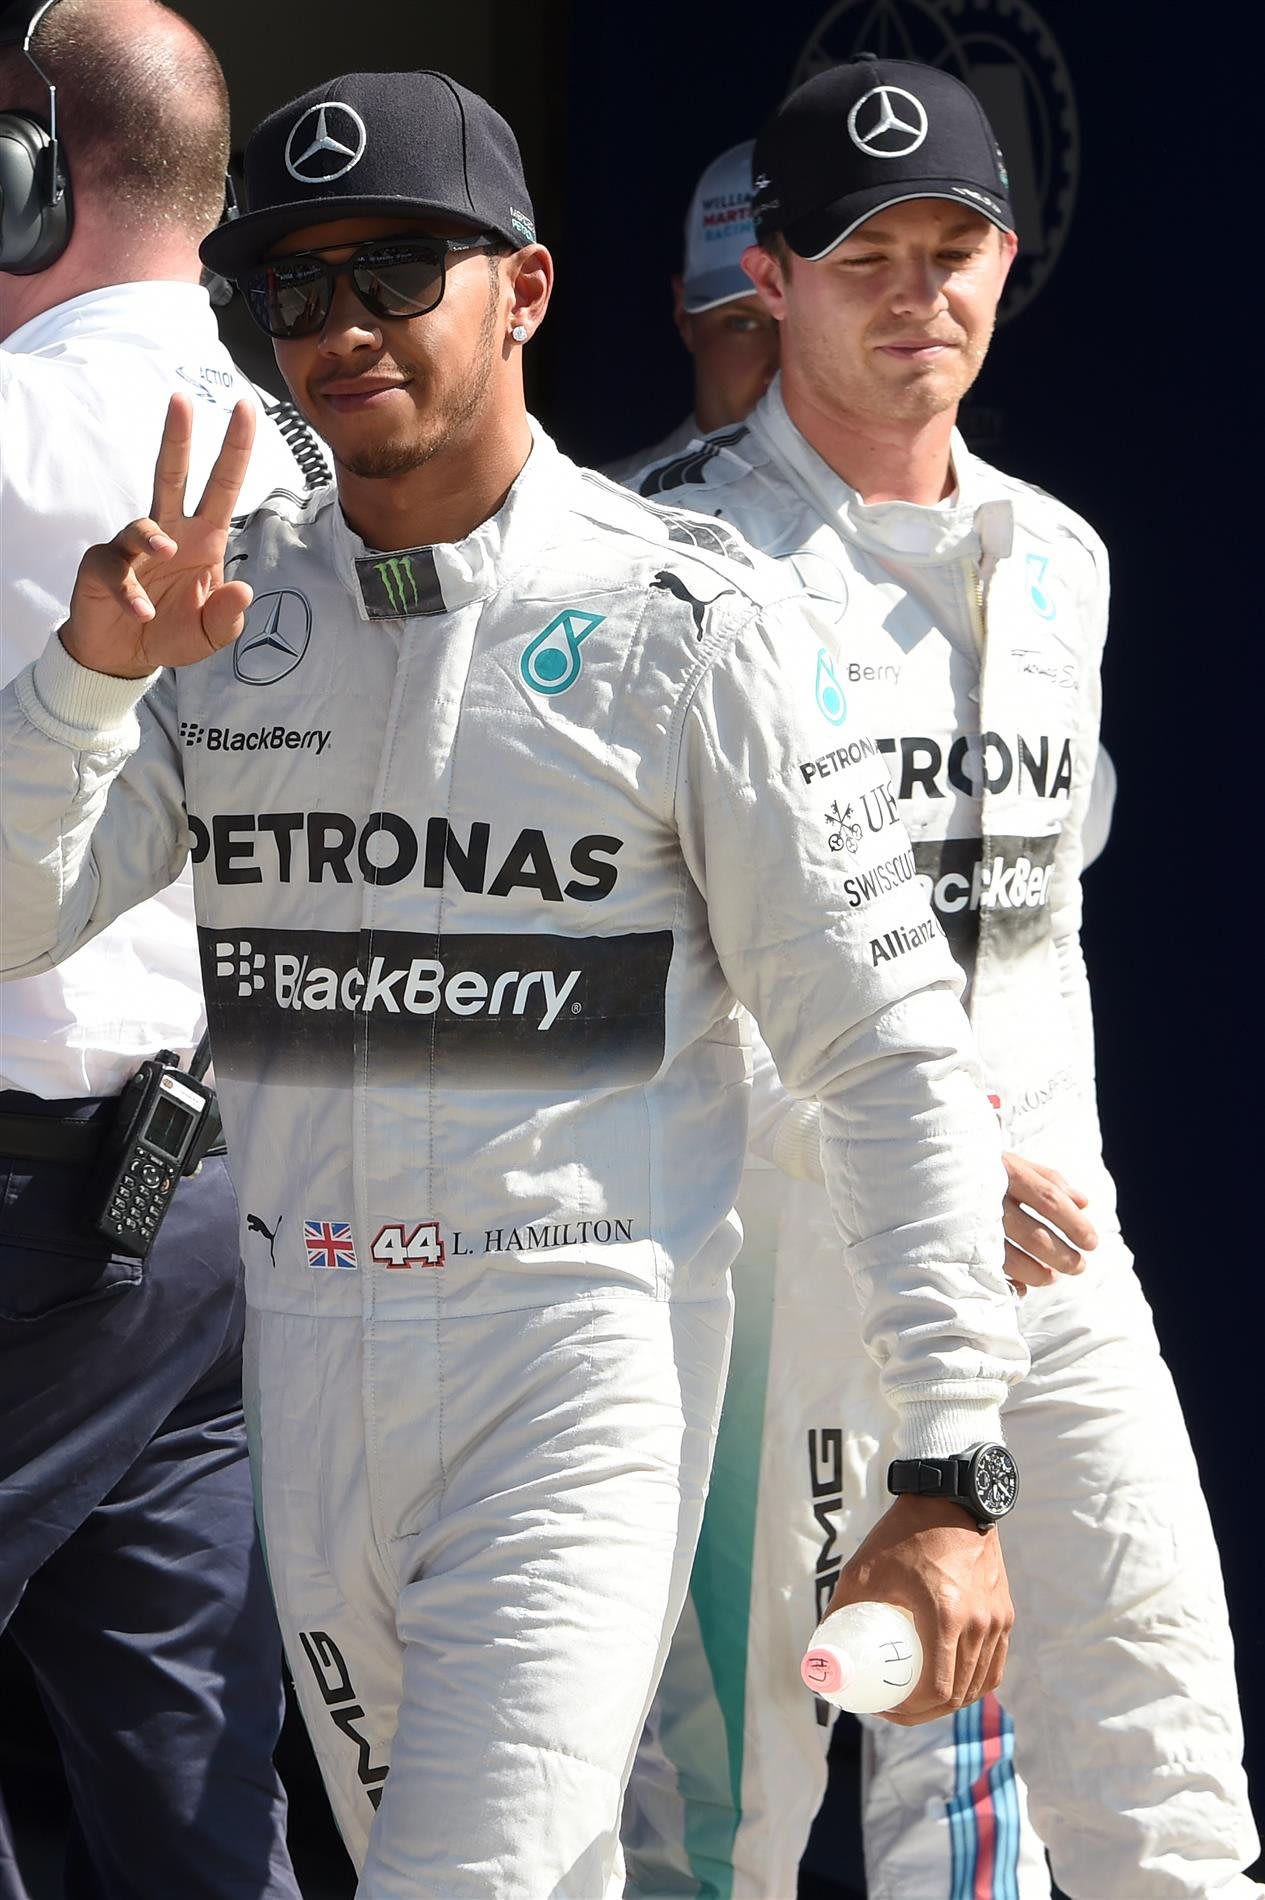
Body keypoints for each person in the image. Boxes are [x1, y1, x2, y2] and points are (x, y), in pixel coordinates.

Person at [0, 64, 1040, 1900]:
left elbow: (885, 1057)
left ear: (528, 290)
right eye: (293, 289)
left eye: (398, 271)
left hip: (571, 1367)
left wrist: (954, 1468)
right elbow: (15, 920)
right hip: (307, 1361)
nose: (340, 328)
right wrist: (84, 677)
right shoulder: (226, 627)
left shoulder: (689, 625)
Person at [623, 55, 1260, 1900]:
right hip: (790, 1266)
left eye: (951, 248)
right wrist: (929, 1151)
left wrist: (1018, 1154)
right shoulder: (682, 566)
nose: (918, 294)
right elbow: (673, 961)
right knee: (729, 1817)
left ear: (1004, 259)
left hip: (1057, 1259)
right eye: (866, 255)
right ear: (776, 282)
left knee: (1164, 1772)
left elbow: (1038, 922)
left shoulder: (1063, 558)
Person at [0, 2, 323, 1893]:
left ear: (30, 174)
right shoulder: (300, 441)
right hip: (208, 1213)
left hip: (37, 1200)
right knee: (197, 1801)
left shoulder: (19, 420)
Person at [604, 139, 778, 484]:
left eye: (801, 323)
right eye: (742, 323)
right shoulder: (609, 512)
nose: (782, 360)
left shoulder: (900, 518)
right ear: (684, 316)